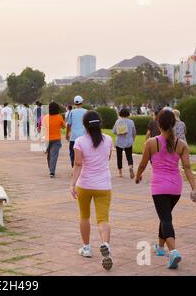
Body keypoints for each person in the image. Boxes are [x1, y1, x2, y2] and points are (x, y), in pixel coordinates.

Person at [135, 110, 196, 270]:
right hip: (176, 187)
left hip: (159, 187)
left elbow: (142, 164)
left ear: (158, 124)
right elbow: (188, 168)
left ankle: (174, 252)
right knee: (165, 216)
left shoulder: (151, 143)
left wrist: (138, 176)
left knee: (165, 218)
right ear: (174, 124)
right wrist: (194, 189)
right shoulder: (182, 145)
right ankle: (160, 247)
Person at [69, 111, 114, 271]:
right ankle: (105, 244)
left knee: (84, 216)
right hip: (103, 185)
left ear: (84, 125)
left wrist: (72, 184)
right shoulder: (108, 139)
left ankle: (86, 248)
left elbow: (78, 164)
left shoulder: (80, 141)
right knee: (102, 218)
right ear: (100, 124)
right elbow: (107, 159)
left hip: (85, 185)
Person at [41, 102, 66, 178]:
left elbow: (43, 127)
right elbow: (64, 127)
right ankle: (52, 171)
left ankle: (51, 170)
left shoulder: (45, 117)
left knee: (49, 156)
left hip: (47, 139)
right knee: (54, 156)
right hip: (56, 139)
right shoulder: (59, 117)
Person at [112, 108, 137, 178]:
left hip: (119, 142)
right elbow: (134, 132)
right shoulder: (131, 122)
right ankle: (130, 166)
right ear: (128, 114)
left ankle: (120, 173)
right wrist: (133, 139)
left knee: (119, 157)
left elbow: (114, 131)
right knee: (129, 156)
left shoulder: (118, 121)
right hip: (128, 141)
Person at [66, 96, 88, 167]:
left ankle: (74, 167)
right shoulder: (86, 111)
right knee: (84, 153)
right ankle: (83, 167)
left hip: (74, 137)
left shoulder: (72, 112)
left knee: (72, 153)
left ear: (74, 103)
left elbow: (68, 124)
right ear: (82, 102)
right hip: (84, 137)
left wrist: (67, 134)